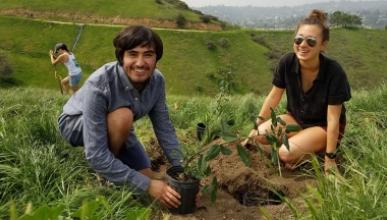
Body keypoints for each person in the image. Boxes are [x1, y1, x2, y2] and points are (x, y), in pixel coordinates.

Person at [58, 25, 185, 208]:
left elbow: (164, 127)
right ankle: (106, 174)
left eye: (148, 54)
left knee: (149, 176)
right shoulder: (100, 82)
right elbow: (95, 154)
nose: (140, 63)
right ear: (121, 57)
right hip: (75, 122)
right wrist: (147, 185)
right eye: (133, 54)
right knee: (123, 118)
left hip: (118, 125)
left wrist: (181, 169)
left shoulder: (157, 81)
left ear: (156, 58)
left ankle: (114, 165)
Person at [244, 9, 351, 173]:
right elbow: (273, 96)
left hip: (322, 127)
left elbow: (333, 119)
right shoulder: (287, 62)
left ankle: (314, 153)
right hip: (296, 119)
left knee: (285, 152)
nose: (303, 45)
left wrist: (330, 158)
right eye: (299, 39)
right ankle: (300, 144)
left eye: (311, 41)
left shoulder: (334, 72)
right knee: (257, 136)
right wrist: (256, 125)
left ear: (323, 45)